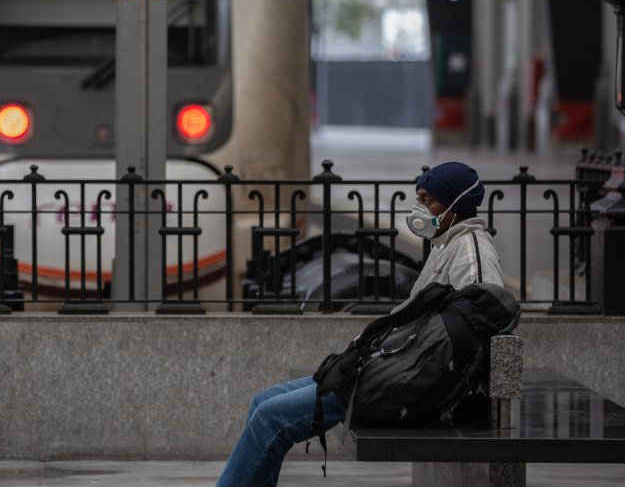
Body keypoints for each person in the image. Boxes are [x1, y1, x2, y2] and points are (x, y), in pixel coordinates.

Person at [215, 161, 504, 487]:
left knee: (270, 418)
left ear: (456, 204)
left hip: (398, 381)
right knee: (262, 403)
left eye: (428, 200)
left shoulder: (470, 252)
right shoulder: (446, 244)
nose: (420, 208)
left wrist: (456, 395)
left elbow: (483, 324)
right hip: (386, 364)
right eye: (419, 199)